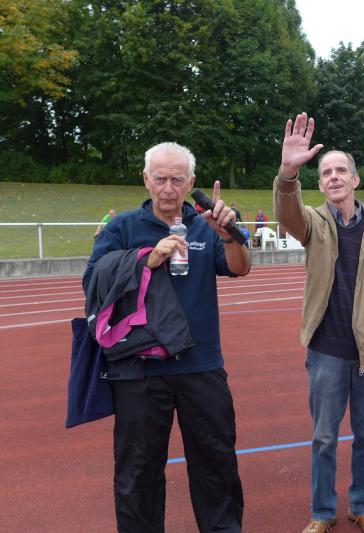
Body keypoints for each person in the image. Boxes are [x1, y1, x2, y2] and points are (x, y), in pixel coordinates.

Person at [83, 142, 251, 532]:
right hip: (138, 370)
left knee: (217, 463)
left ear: (191, 182)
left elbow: (240, 268)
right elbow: (92, 281)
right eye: (160, 179)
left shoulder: (205, 223)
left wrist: (228, 236)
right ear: (146, 179)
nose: (169, 188)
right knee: (138, 473)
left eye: (178, 179)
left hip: (201, 365)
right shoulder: (122, 228)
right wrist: (146, 258)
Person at [274, 113, 364, 533]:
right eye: (326, 173)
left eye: (340, 171)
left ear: (355, 180)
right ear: (320, 185)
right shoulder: (313, 223)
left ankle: (362, 506)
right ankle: (322, 513)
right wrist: (288, 173)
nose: (333, 177)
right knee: (323, 438)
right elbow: (287, 213)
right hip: (326, 353)